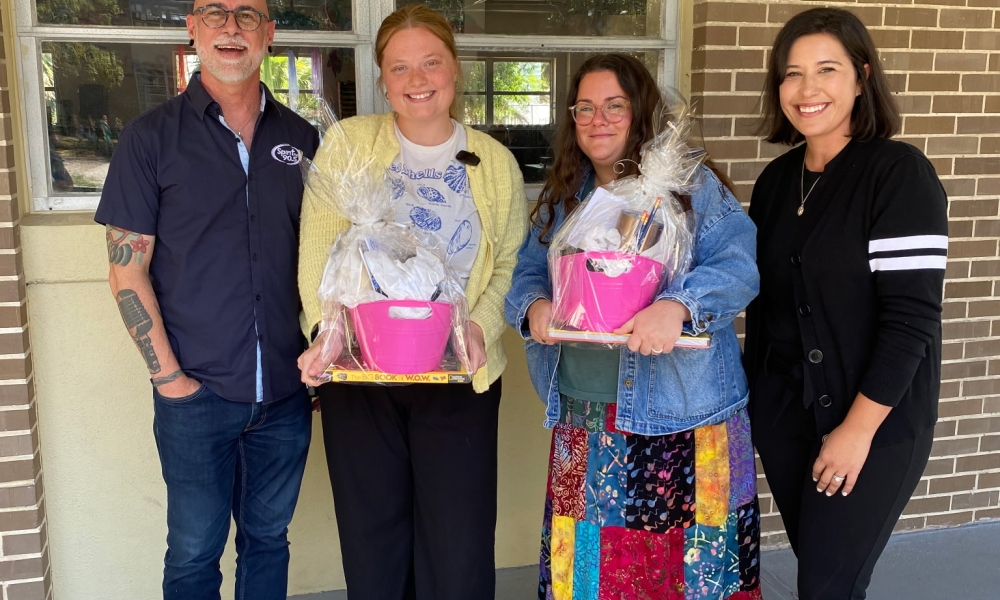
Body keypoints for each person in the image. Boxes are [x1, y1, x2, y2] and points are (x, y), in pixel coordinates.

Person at [505, 54, 762, 600]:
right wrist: (533, 305)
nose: (597, 119)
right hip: (584, 417)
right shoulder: (566, 196)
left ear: (640, 111)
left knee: (696, 576)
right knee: (588, 578)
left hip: (686, 417)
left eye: (614, 106)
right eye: (585, 108)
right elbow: (528, 271)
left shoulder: (690, 189)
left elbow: (739, 265)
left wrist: (679, 306)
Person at [296, 5, 527, 600]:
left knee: (458, 546)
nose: (417, 79)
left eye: (431, 62)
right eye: (400, 67)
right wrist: (327, 331)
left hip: (459, 375)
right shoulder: (348, 143)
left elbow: (510, 265)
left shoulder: (494, 162)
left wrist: (479, 327)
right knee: (373, 543)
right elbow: (318, 251)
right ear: (382, 78)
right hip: (359, 374)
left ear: (455, 69)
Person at [94, 1, 319, 598]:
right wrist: (170, 381)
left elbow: (323, 260)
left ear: (269, 34)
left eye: (247, 15)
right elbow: (126, 271)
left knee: (268, 541)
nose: (231, 28)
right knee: (194, 554)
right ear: (192, 29)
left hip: (285, 393)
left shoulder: (301, 139)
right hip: (195, 396)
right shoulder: (150, 138)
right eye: (215, 13)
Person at [745, 8, 948, 600]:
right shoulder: (776, 181)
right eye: (792, 73)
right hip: (785, 418)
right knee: (822, 570)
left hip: (873, 422)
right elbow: (764, 305)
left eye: (826, 70)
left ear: (862, 77)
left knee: (827, 584)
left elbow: (911, 320)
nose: (807, 89)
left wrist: (856, 431)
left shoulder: (898, 175)